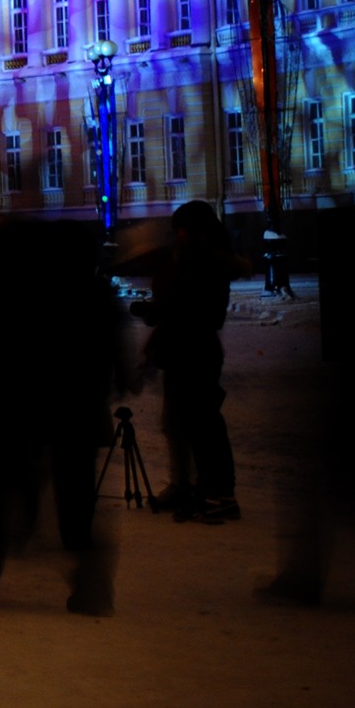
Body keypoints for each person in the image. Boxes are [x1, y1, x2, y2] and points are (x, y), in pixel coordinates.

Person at [0, 220, 126, 615]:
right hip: (76, 414)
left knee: (4, 499)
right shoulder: (97, 295)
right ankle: (92, 588)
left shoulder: (21, 295)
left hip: (24, 413)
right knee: (75, 503)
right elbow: (114, 364)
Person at [132, 200, 241, 523]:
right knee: (198, 426)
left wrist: (157, 310)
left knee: (204, 426)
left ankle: (218, 495)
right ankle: (209, 492)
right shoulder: (200, 260)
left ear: (195, 231)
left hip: (194, 351)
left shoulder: (203, 262)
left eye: (181, 229)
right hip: (189, 350)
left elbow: (192, 309)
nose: (177, 235)